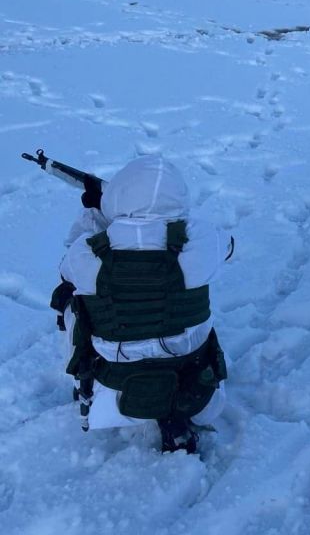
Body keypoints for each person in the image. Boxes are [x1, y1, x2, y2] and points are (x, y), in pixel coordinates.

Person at [52, 155, 232, 454]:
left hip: (117, 381)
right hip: (194, 375)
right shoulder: (202, 239)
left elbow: (66, 267)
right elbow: (228, 247)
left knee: (67, 298)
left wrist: (96, 214)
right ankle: (174, 415)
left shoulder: (89, 253)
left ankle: (83, 383)